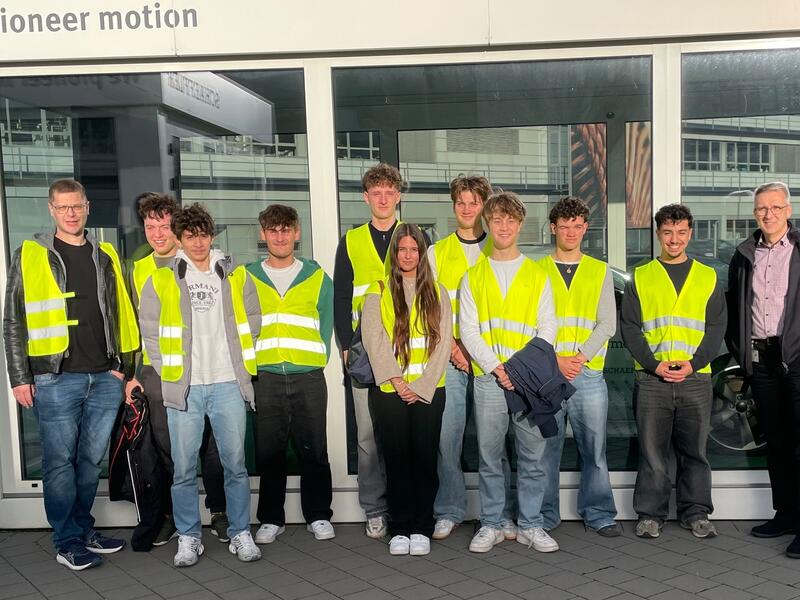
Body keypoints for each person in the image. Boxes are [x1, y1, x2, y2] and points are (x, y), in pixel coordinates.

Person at [2, 178, 139, 570]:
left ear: (87, 207)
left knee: (89, 461)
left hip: (104, 375)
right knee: (60, 463)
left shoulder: (106, 253)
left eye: (76, 206)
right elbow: (13, 319)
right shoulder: (29, 254)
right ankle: (66, 540)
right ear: (51, 210)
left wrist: (122, 368)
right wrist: (19, 375)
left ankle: (83, 529)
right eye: (63, 207)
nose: (71, 213)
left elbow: (122, 313)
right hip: (54, 376)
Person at [138, 203, 262, 567]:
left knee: (235, 465)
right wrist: (170, 373)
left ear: (211, 236)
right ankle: (189, 537)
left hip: (227, 384)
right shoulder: (161, 279)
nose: (197, 243)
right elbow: (151, 333)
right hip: (187, 389)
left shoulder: (235, 275)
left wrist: (238, 359)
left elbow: (252, 319)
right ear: (179, 238)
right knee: (183, 469)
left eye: (203, 235)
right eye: (189, 236)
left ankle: (241, 532)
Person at [459, 191, 563, 554]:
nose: (503, 226)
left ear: (520, 225)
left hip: (529, 380)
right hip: (490, 380)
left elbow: (548, 325)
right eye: (497, 220)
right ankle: (491, 522)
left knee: (533, 456)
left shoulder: (537, 275)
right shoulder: (473, 277)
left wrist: (518, 369)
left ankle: (531, 524)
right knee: (489, 457)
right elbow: (468, 329)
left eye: (510, 220)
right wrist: (496, 367)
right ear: (487, 224)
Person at [125, 193, 229, 548]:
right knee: (170, 448)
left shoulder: (207, 264)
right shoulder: (138, 269)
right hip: (160, 370)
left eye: (164, 226)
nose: (157, 233)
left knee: (212, 445)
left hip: (208, 368)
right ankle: (174, 516)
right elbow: (137, 327)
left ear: (180, 229)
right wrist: (134, 372)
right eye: (150, 226)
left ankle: (219, 511)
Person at [621, 203, 726, 540]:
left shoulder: (708, 276)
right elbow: (631, 328)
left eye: (681, 232)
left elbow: (716, 328)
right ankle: (650, 515)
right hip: (652, 379)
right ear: (658, 234)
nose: (674, 239)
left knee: (695, 452)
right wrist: (655, 365)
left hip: (696, 377)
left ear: (690, 234)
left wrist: (693, 364)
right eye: (667, 232)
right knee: (653, 453)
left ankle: (696, 513)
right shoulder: (641, 276)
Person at [245, 205, 335, 545]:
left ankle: (319, 515)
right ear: (263, 234)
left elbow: (325, 325)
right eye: (273, 230)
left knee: (314, 449)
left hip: (308, 375)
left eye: (286, 229)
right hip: (265, 375)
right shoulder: (247, 276)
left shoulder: (316, 277)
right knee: (270, 451)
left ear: (297, 233)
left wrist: (315, 360)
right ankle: (271, 517)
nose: (280, 236)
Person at [362, 223, 451, 556]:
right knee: (397, 459)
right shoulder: (379, 289)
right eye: (402, 249)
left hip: (428, 391)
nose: (408, 255)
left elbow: (442, 343)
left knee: (425, 460)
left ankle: (421, 527)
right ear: (395, 254)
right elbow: (374, 340)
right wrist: (398, 382)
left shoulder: (438, 291)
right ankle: (399, 526)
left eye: (414, 249)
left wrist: (422, 385)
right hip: (391, 392)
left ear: (422, 253)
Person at [538, 197, 620, 536]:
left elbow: (607, 323)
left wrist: (579, 357)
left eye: (577, 226)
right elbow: (531, 323)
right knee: (546, 450)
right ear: (553, 228)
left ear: (585, 228)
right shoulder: (537, 270)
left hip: (587, 374)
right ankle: (544, 516)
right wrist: (556, 359)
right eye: (564, 226)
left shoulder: (599, 270)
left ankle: (599, 513)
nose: (570, 232)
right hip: (548, 374)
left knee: (595, 450)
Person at [426, 174, 502, 541]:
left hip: (492, 361)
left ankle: (498, 515)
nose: (468, 208)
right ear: (453, 206)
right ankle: (450, 509)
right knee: (448, 438)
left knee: (494, 441)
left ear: (485, 206)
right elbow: (431, 308)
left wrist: (482, 355)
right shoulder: (437, 252)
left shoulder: (499, 248)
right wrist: (456, 349)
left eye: (475, 202)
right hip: (451, 359)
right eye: (461, 202)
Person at [727, 181, 800, 557]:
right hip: (761, 359)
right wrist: (741, 352)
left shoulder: (799, 250)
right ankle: (786, 513)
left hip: (798, 358)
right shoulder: (744, 254)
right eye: (761, 209)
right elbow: (734, 305)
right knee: (777, 442)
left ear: (788, 210)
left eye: (775, 208)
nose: (767, 214)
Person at [333, 162, 400, 538]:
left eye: (389, 192)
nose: (383, 198)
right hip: (362, 350)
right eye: (377, 193)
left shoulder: (413, 236)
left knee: (402, 432)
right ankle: (374, 508)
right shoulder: (352, 240)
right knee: (367, 434)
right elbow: (342, 295)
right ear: (366, 198)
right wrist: (344, 344)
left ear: (398, 196)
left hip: (406, 348)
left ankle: (403, 502)